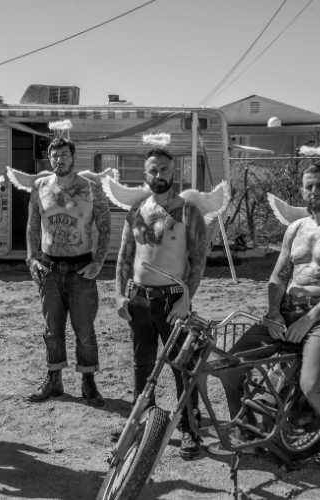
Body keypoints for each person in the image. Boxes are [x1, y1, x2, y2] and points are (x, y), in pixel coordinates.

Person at [219, 163, 320, 491]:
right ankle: (248, 431)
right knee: (229, 366)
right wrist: (274, 312)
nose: (313, 191)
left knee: (313, 385)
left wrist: (309, 319)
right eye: (308, 186)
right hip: (286, 311)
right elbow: (278, 275)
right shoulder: (296, 228)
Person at [114, 147, 208, 459]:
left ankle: (189, 428)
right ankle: (142, 422)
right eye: (153, 170)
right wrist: (119, 294)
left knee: (183, 365)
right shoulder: (137, 210)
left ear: (173, 172)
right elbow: (125, 256)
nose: (159, 175)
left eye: (164, 169)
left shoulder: (188, 211)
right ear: (146, 174)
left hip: (173, 302)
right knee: (142, 364)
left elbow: (198, 261)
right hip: (140, 299)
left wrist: (185, 299)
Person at [26, 137, 111, 406]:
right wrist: (32, 259)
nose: (59, 159)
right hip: (49, 269)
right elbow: (33, 226)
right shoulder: (40, 187)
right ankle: (54, 379)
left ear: (73, 157)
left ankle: (88, 381)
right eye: (54, 155)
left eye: (64, 154)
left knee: (84, 329)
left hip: (81, 269)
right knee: (52, 329)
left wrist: (98, 262)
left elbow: (105, 226)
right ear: (49, 158)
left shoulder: (90, 187)